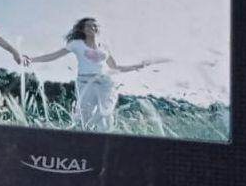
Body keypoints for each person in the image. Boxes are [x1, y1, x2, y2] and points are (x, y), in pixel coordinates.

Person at [27, 17, 157, 131]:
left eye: (95, 25)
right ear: (83, 29)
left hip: (105, 83)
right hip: (85, 82)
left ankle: (103, 136)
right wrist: (32, 59)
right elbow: (54, 55)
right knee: (85, 115)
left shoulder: (104, 47)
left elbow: (115, 67)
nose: (92, 28)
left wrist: (136, 66)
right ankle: (85, 135)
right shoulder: (76, 44)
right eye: (89, 26)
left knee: (105, 112)